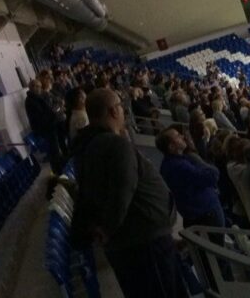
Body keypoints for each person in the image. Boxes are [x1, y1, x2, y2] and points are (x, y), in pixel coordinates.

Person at [70, 89, 186, 298]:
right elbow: (122, 190)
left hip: (139, 244)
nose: (123, 110)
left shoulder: (90, 145)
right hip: (144, 247)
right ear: (114, 111)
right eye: (121, 106)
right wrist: (108, 229)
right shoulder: (114, 144)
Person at [156, 127, 231, 283]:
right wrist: (195, 156)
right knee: (217, 260)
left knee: (211, 259)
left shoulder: (176, 162)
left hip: (202, 215)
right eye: (177, 136)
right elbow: (212, 175)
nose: (183, 136)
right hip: (205, 217)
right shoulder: (179, 165)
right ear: (171, 146)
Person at [26, 79, 65, 174]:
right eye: (38, 86)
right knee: (53, 152)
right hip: (45, 129)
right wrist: (53, 112)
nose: (40, 89)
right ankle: (58, 172)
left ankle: (60, 169)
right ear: (32, 87)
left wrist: (53, 112)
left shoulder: (37, 97)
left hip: (50, 126)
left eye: (40, 86)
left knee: (55, 150)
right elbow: (41, 116)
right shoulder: (31, 101)